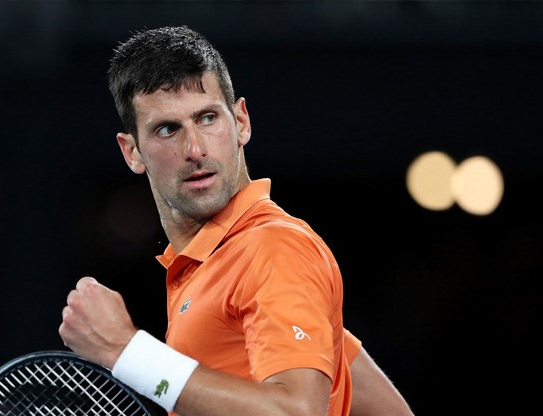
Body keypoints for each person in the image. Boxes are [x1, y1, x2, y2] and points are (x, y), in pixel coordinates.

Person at [59, 25, 413, 416]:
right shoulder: (214, 267)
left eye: (207, 118)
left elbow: (296, 412)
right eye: (167, 129)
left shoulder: (272, 249)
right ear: (132, 153)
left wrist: (125, 351)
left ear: (241, 121)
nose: (195, 149)